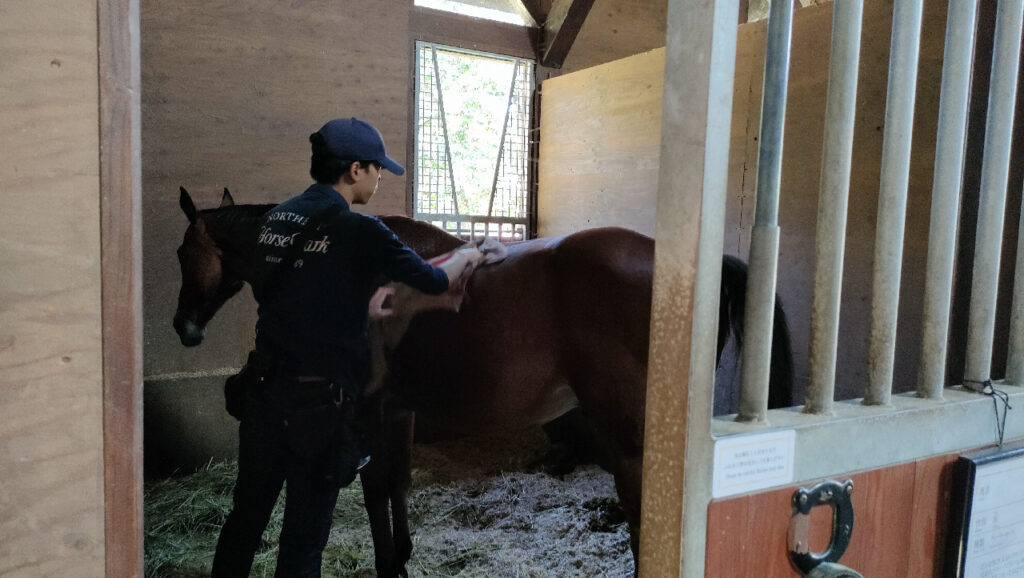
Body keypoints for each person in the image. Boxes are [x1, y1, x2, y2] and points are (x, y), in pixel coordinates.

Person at [211, 117, 479, 577]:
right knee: (302, 542)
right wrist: (470, 254)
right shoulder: (362, 232)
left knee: (244, 522)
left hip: (263, 397)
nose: (379, 180)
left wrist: (357, 306)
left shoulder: (273, 221)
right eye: (378, 169)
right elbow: (434, 281)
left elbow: (292, 295)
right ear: (356, 170)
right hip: (317, 411)